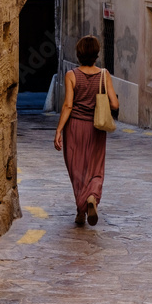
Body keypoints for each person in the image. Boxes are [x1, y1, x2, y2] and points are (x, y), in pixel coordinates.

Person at [54, 35, 119, 226]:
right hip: (96, 128)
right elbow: (114, 104)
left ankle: (80, 211)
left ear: (79, 54)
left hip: (74, 128)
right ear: (97, 54)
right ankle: (91, 198)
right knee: (95, 168)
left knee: (77, 169)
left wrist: (58, 130)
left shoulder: (71, 75)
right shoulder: (104, 74)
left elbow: (67, 106)